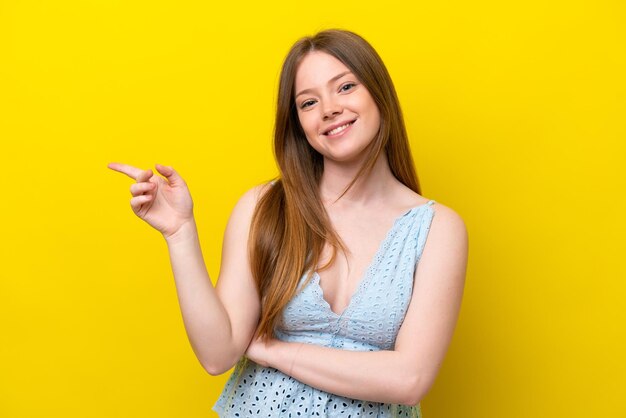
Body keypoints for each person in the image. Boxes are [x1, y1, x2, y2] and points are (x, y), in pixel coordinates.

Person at [108, 29, 468, 417]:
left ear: (379, 94)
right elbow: (217, 354)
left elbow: (409, 380)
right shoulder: (265, 207)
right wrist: (180, 233)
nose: (329, 108)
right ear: (298, 123)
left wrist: (274, 350)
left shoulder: (437, 229)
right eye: (308, 102)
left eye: (345, 87)